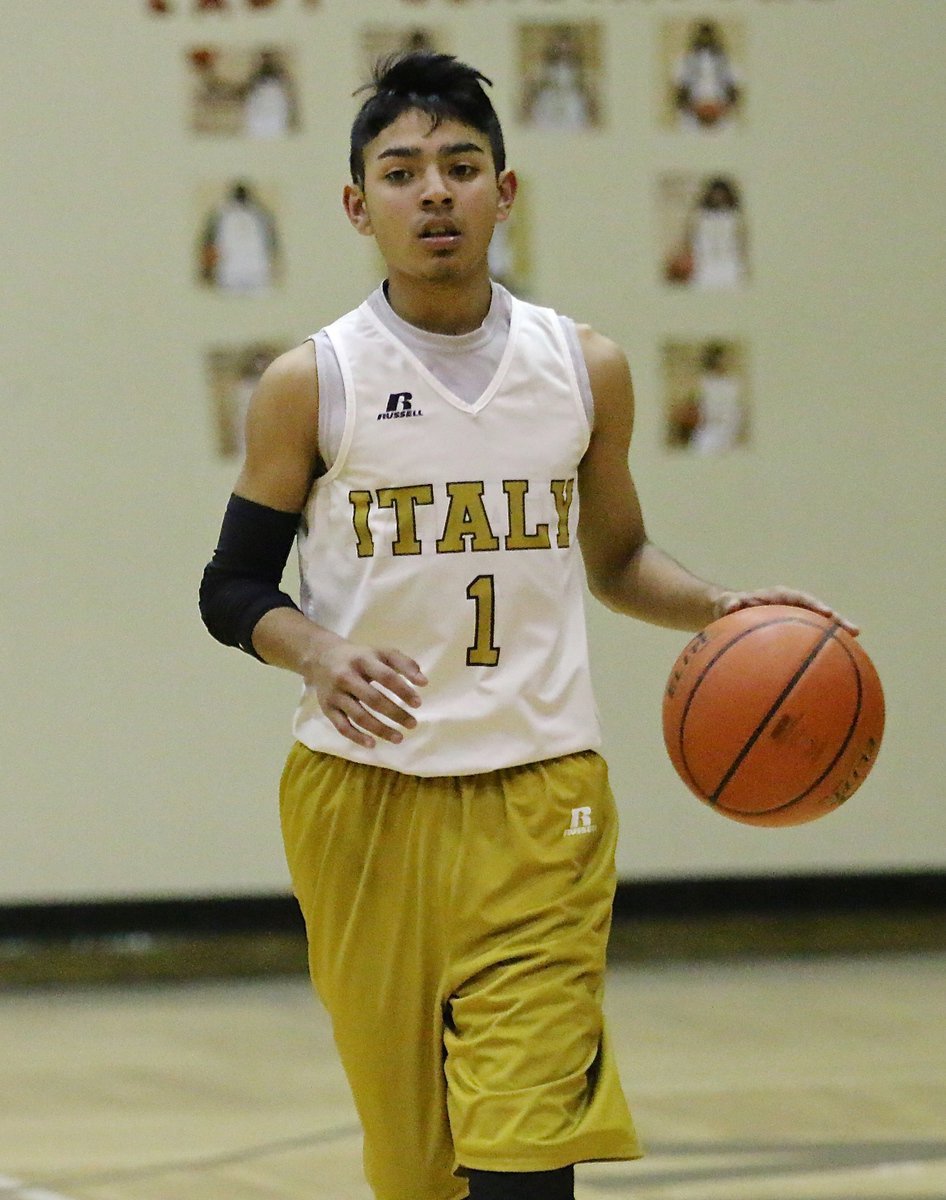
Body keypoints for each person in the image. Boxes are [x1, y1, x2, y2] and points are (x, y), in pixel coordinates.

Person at [199, 52, 854, 1200]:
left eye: (461, 167)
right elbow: (233, 588)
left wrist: (717, 607)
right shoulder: (314, 382)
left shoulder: (581, 367)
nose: (435, 192)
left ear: (507, 190)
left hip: (540, 795)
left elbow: (616, 560)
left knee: (523, 1154)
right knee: (418, 1172)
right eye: (402, 172)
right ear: (359, 205)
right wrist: (318, 648)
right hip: (362, 798)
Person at [672, 20, 741, 132]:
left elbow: (733, 90)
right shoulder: (684, 61)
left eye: (709, 36)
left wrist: (722, 108)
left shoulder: (728, 61)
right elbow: (680, 92)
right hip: (693, 115)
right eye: (702, 36)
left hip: (721, 114)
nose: (706, 40)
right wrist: (694, 109)